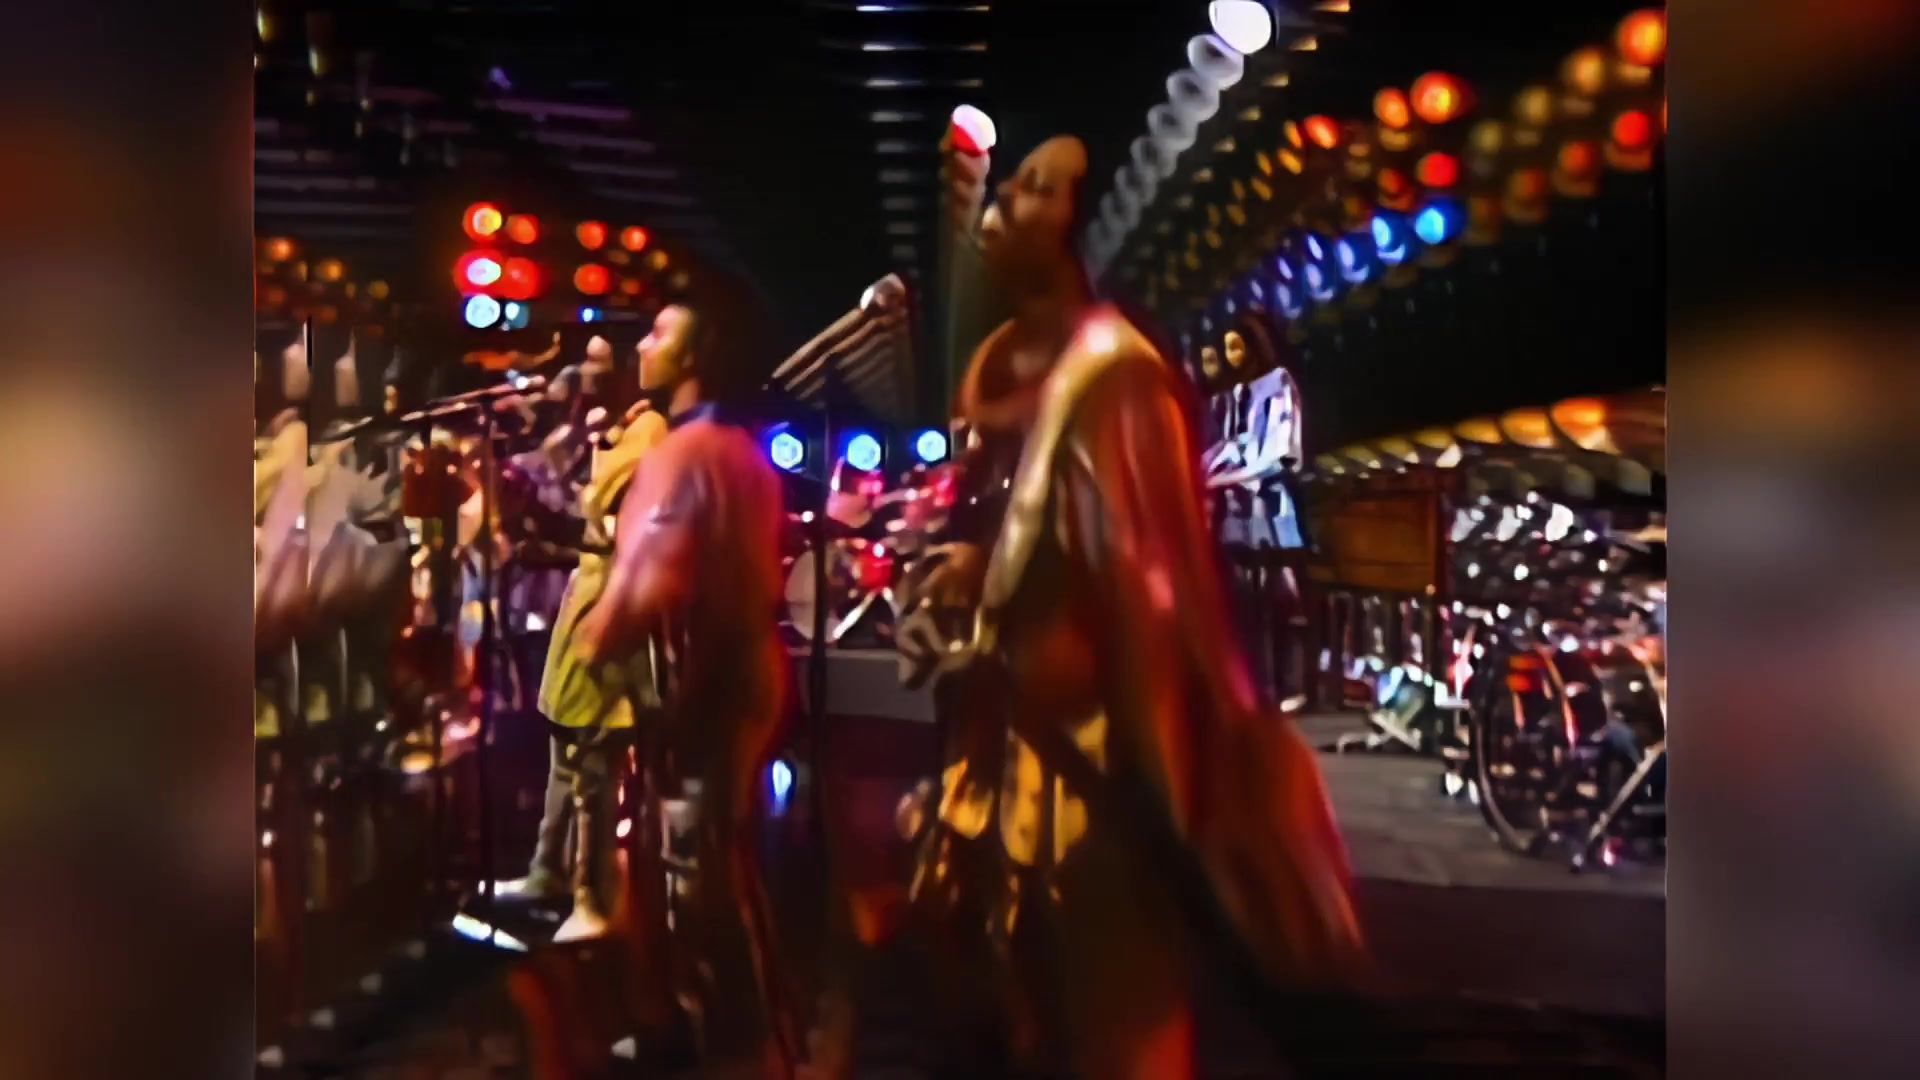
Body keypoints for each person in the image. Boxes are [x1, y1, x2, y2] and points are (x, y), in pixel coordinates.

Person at [900, 133, 1367, 1078]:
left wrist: (1175, 816)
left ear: (1080, 232)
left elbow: (1154, 606)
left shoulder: (1118, 382)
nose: (1003, 202)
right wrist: (973, 575)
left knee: (1119, 1034)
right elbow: (1045, 546)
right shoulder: (1029, 369)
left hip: (1097, 797)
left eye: (1035, 189)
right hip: (1017, 777)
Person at [573, 291, 798, 1076]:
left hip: (707, 686)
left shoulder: (682, 454)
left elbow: (647, 582)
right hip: (748, 674)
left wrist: (594, 642)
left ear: (694, 357)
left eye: (660, 333)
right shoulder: (743, 451)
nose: (643, 345)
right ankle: (740, 1029)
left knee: (694, 872)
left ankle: (736, 1046)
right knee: (718, 861)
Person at [495, 333, 670, 946]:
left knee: (594, 762)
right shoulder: (610, 434)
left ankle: (594, 900)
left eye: (598, 364)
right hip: (586, 602)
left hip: (612, 612)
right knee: (565, 756)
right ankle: (548, 871)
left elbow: (628, 539)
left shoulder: (648, 436)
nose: (584, 377)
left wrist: (558, 530)